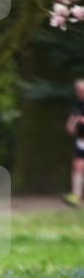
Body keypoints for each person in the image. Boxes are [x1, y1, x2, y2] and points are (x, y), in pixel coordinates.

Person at [63, 78, 84, 207]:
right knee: (77, 165)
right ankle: (76, 195)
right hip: (81, 140)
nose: (81, 92)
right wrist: (71, 125)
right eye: (79, 90)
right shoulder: (78, 105)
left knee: (79, 165)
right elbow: (72, 122)